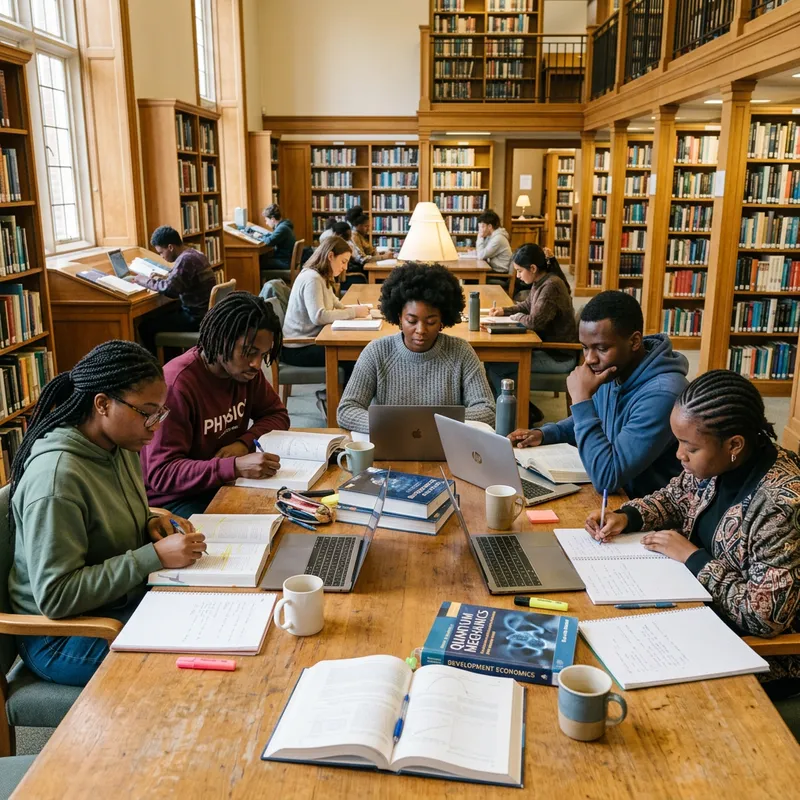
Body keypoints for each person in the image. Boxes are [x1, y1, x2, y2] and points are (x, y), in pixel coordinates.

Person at [585, 370, 800, 696]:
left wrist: (693, 558)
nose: (679, 455)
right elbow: (674, 497)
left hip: (754, 653)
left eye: (690, 447)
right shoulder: (719, 464)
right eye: (679, 442)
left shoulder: (780, 505)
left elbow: (764, 618)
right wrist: (625, 517)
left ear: (734, 444)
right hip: (697, 613)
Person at [8, 340, 207, 686]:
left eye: (161, 412)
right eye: (147, 413)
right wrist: (153, 556)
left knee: (211, 627)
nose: (155, 426)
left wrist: (151, 522)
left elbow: (111, 516)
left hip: (115, 604)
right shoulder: (58, 479)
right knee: (191, 668)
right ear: (102, 404)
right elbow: (56, 596)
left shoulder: (121, 444)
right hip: (61, 635)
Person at [509, 290, 689, 498]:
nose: (590, 359)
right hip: (616, 502)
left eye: (601, 348)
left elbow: (606, 478)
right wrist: (546, 434)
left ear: (635, 341)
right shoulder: (614, 369)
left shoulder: (662, 395)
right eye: (585, 348)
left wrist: (581, 399)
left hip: (645, 512)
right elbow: (596, 418)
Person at [141, 291, 291, 518]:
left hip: (223, 481)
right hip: (177, 499)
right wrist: (234, 466)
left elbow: (277, 415)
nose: (256, 364)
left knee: (291, 509)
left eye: (264, 354)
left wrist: (243, 443)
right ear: (222, 341)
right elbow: (162, 474)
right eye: (249, 352)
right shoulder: (176, 386)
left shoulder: (245, 372)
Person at [337, 262, 496, 433]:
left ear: (443, 320)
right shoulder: (376, 352)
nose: (420, 330)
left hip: (446, 450)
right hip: (390, 446)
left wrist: (426, 422)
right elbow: (347, 409)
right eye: (411, 321)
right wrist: (394, 425)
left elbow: (487, 411)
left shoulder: (461, 352)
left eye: (431, 322)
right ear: (398, 317)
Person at [485, 243, 578, 422]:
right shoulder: (540, 281)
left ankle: (520, 413)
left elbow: (535, 322)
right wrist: (504, 311)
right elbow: (528, 306)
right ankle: (523, 408)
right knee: (493, 363)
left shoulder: (551, 286)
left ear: (533, 268)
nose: (518, 276)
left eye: (520, 271)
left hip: (558, 356)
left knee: (497, 367)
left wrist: (517, 316)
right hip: (547, 348)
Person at [282, 236, 370, 370]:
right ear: (330, 256)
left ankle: (344, 390)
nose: (345, 267)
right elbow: (318, 316)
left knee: (355, 352)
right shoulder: (313, 278)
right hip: (299, 348)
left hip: (312, 340)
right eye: (343, 262)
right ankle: (340, 391)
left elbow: (335, 302)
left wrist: (359, 311)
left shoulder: (322, 276)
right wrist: (353, 312)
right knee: (353, 356)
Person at [134, 225, 216, 355]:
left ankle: (160, 367)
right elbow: (179, 279)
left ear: (170, 247)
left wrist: (144, 281)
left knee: (145, 327)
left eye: (161, 252)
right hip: (204, 313)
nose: (162, 257)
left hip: (194, 318)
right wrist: (163, 278)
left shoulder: (185, 259)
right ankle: (171, 359)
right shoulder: (195, 254)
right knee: (160, 316)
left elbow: (170, 290)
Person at [259, 204, 296, 278]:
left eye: (266, 220)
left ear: (272, 219)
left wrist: (260, 236)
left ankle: (261, 287)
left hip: (284, 262)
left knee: (257, 262)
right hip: (286, 259)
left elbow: (269, 241)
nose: (266, 223)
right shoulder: (284, 225)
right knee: (263, 259)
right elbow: (272, 238)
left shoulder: (282, 228)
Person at [476, 210, 513, 274]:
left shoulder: (498, 238)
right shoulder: (491, 236)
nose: (480, 230)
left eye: (482, 227)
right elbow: (482, 252)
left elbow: (481, 255)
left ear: (490, 226)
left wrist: (480, 237)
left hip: (500, 273)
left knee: (471, 279)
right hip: (494, 269)